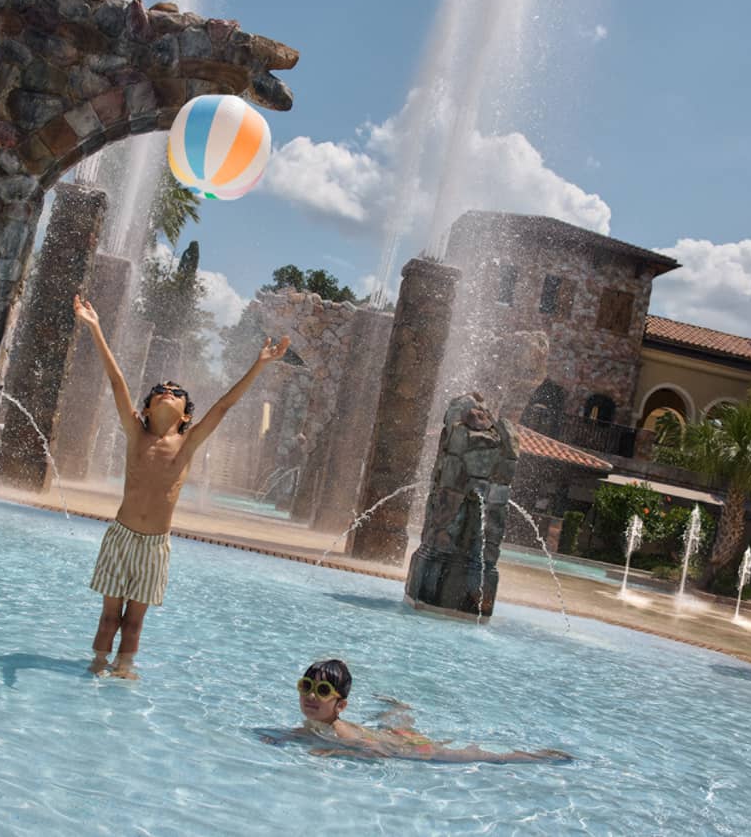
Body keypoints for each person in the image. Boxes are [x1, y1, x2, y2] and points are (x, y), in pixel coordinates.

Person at [73, 294, 289, 679]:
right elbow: (116, 380)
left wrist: (259, 365)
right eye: (160, 389)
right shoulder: (136, 434)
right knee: (109, 617)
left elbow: (223, 406)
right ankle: (96, 666)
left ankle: (124, 669)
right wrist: (95, 327)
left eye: (176, 392)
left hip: (155, 545)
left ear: (187, 413)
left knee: (135, 624)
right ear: (147, 408)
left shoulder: (187, 444)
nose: (167, 391)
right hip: (121, 537)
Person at [263, 659, 572, 763]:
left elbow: (374, 752)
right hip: (392, 735)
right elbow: (304, 732)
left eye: (323, 691)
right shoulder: (318, 724)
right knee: (394, 722)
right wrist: (280, 738)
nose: (311, 696)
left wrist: (334, 753)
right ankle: (398, 708)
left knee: (475, 755)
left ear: (341, 705)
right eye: (306, 686)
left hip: (413, 749)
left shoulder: (340, 732)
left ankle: (535, 757)